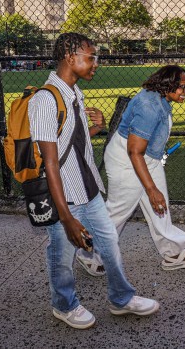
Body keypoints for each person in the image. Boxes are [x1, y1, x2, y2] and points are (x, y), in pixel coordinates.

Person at [28, 32, 159, 330]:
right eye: (91, 57)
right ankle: (64, 305)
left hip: (89, 189)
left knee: (110, 244)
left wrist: (96, 129)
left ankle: (121, 298)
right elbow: (50, 162)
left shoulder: (74, 92)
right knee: (61, 255)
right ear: (70, 57)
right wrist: (66, 217)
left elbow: (70, 145)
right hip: (66, 197)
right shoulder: (46, 99)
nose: (96, 63)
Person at [76, 65, 185, 275]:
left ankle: (170, 252)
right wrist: (150, 189)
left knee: (160, 206)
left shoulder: (159, 98)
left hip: (146, 159)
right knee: (117, 211)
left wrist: (152, 187)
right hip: (127, 161)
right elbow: (134, 151)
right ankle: (90, 254)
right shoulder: (150, 107)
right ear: (168, 85)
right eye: (182, 87)